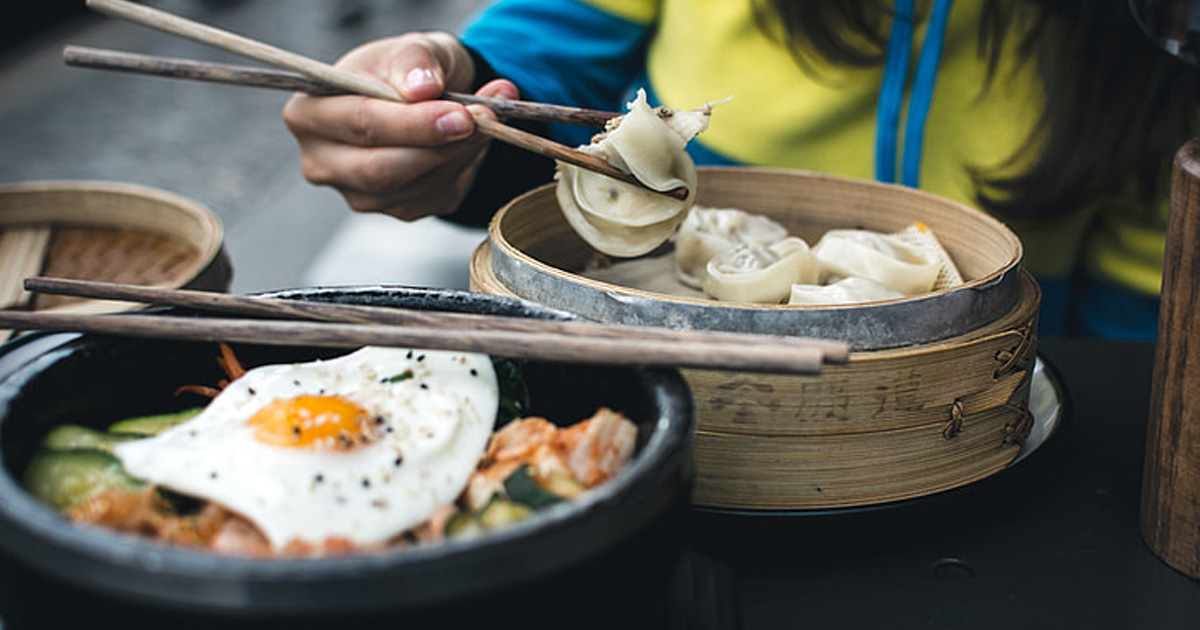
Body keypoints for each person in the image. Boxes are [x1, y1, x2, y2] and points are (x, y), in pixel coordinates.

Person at [282, 0, 1198, 338]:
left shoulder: (1157, 36)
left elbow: (1136, 311)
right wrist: (451, 109)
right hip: (641, 362)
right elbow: (542, 72)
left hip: (967, 432)